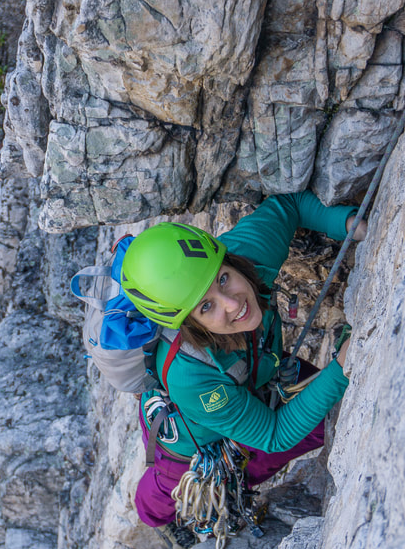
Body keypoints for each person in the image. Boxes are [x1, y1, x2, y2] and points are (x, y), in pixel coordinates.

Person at [121, 191, 367, 529]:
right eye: (206, 307)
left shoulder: (239, 261)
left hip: (249, 378)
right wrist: (341, 368)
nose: (233, 304)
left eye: (223, 279)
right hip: (188, 436)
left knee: (333, 411)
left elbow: (287, 208)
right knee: (159, 499)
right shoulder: (194, 376)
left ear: (226, 261)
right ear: (190, 324)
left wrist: (349, 224)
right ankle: (164, 524)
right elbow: (274, 434)